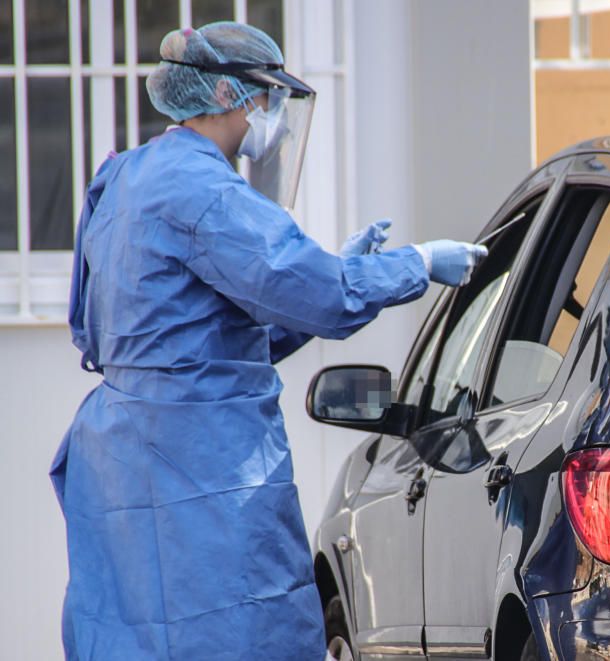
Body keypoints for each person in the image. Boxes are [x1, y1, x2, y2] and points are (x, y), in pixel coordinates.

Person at [49, 22, 486, 661]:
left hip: (117, 456)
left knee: (131, 635)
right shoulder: (202, 189)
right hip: (197, 460)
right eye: (268, 98)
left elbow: (202, 338)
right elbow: (321, 294)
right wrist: (416, 263)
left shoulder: (127, 178)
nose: (273, 115)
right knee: (237, 632)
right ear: (229, 93)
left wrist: (337, 274)